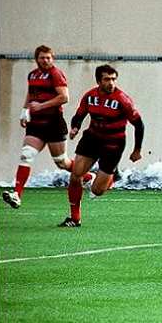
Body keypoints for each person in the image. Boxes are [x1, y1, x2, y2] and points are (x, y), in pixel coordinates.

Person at [2, 45, 92, 209]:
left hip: (53, 123)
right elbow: (31, 94)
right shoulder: (33, 75)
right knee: (26, 154)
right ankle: (17, 194)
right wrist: (25, 111)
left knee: (61, 162)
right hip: (36, 124)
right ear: (37, 59)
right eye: (43, 57)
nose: (46, 60)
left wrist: (41, 106)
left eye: (49, 58)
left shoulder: (55, 74)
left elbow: (64, 97)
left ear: (53, 59)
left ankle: (87, 177)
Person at [58, 64, 144, 227]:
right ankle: (75, 218)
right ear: (99, 81)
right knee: (76, 175)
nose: (111, 83)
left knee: (97, 191)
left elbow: (139, 125)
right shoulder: (90, 96)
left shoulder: (122, 100)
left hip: (113, 143)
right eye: (107, 79)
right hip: (92, 138)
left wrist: (137, 150)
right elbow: (79, 115)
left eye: (113, 79)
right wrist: (75, 127)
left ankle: (111, 176)